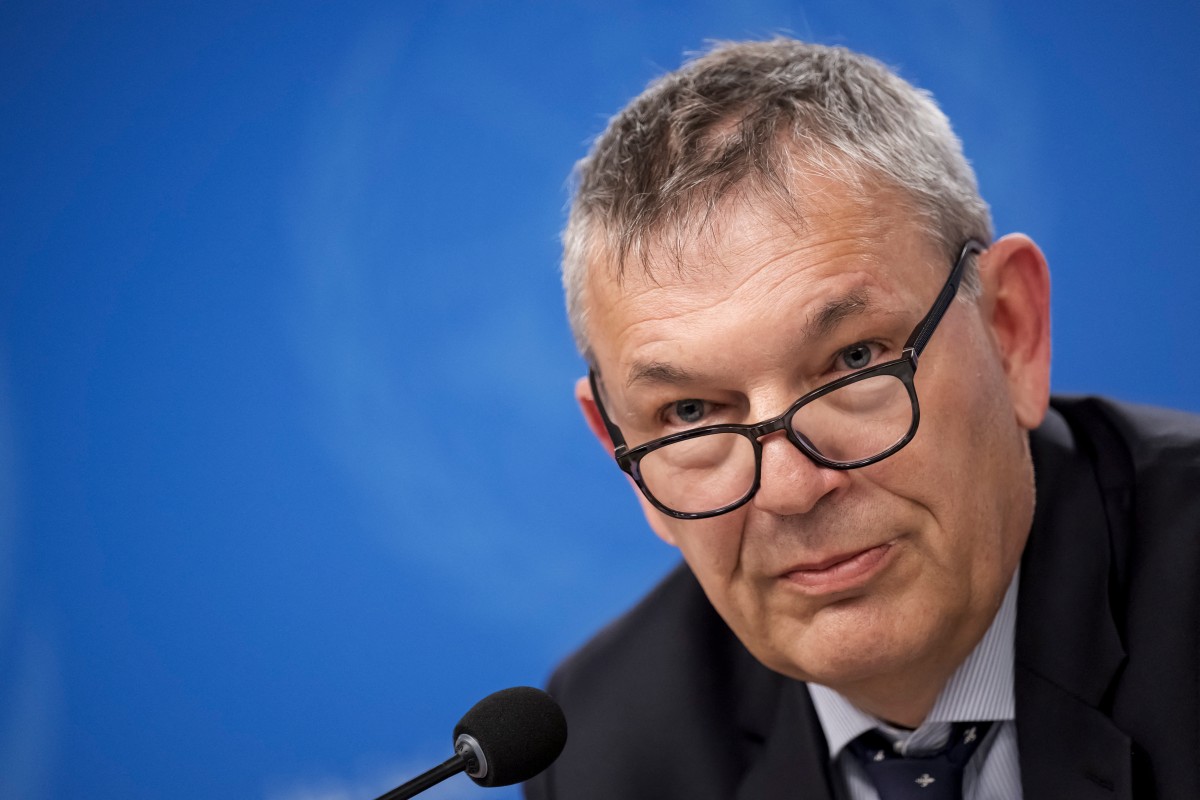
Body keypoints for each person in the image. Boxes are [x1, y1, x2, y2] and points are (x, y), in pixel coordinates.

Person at [523, 38, 1200, 800]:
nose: (790, 487)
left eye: (853, 361)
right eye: (689, 412)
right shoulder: (612, 752)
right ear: (623, 449)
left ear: (1010, 331)